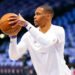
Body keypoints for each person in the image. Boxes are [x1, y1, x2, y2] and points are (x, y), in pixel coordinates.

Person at [8, 5, 71, 75]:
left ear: (48, 16)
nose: (34, 16)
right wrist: (13, 37)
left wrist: (26, 24)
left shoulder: (58, 30)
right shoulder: (28, 35)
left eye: (38, 14)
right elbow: (14, 56)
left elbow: (46, 42)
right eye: (35, 14)